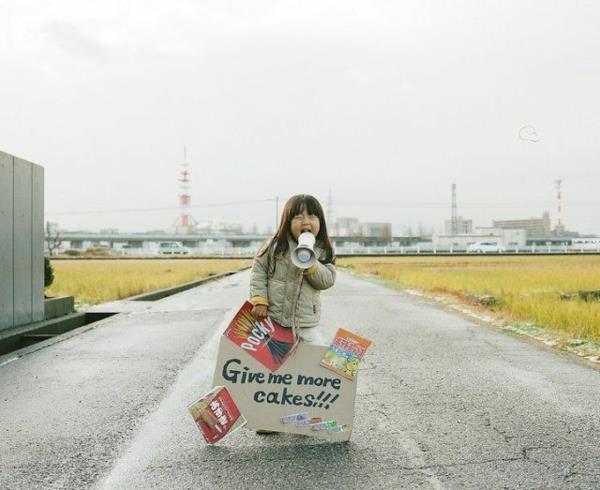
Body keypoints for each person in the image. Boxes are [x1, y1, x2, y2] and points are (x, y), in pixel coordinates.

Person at [249, 194, 336, 346]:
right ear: (287, 222)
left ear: (320, 222)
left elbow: (328, 280)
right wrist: (260, 300)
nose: (306, 221)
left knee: (312, 355)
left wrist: (311, 263)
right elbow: (259, 271)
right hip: (274, 319)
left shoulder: (323, 249)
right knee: (272, 358)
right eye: (298, 216)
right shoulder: (275, 246)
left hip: (305, 322)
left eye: (312, 216)